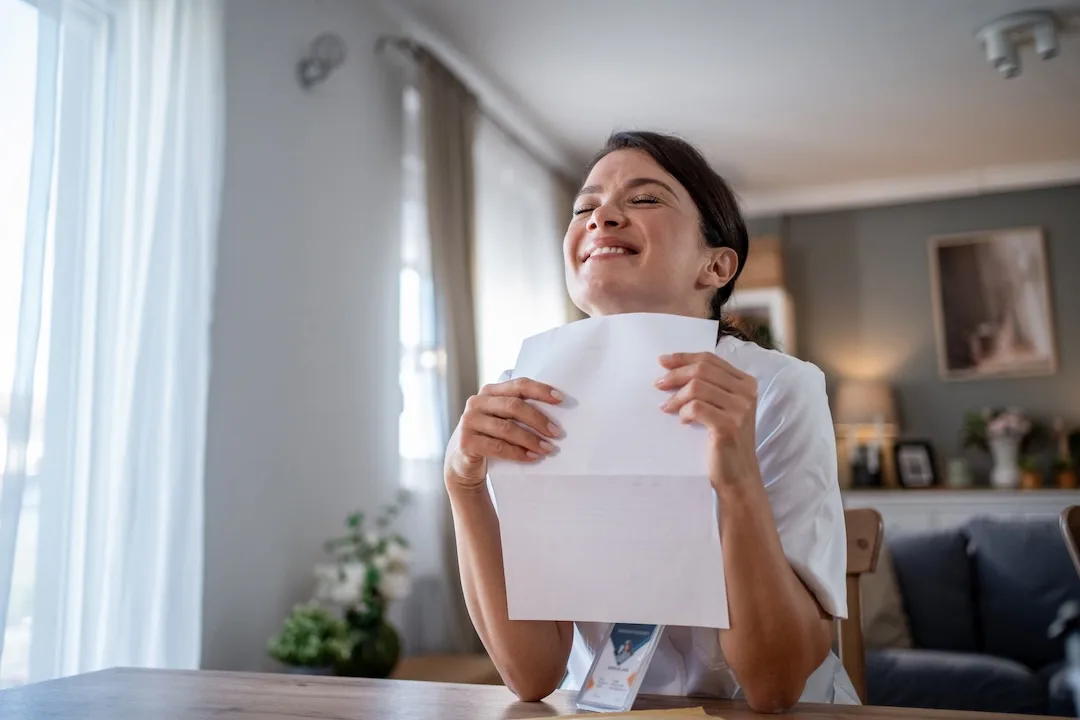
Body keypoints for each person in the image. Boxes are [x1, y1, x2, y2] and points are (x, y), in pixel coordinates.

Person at [442, 131, 854, 712]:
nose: (602, 216)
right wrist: (463, 485)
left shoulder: (781, 388)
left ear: (715, 264)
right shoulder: (526, 390)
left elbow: (775, 686)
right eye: (585, 206)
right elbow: (532, 675)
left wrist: (737, 483)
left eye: (644, 199)